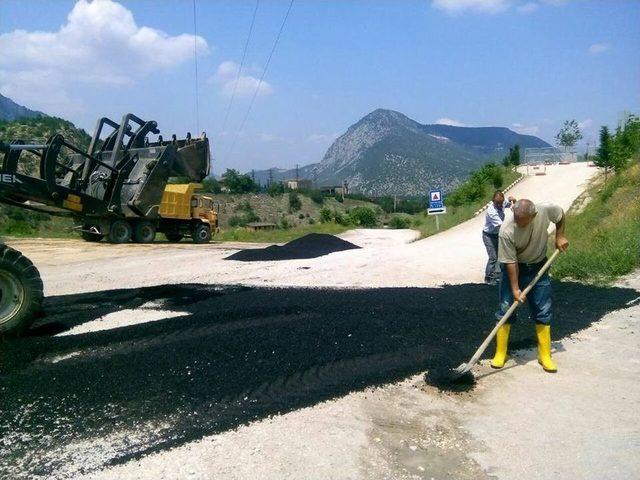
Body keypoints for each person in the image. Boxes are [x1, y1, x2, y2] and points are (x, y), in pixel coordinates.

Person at [490, 199, 569, 373]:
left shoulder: (545, 209)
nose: (518, 223)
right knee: (505, 309)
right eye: (516, 219)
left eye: (522, 221)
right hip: (515, 266)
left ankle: (545, 354)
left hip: (538, 267)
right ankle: (501, 353)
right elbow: (511, 263)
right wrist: (515, 289)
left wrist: (560, 236)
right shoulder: (506, 230)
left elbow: (560, 214)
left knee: (543, 309)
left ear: (534, 216)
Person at [482, 191, 516, 285]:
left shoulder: (502, 203)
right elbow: (501, 225)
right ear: (493, 201)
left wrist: (513, 200)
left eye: (500, 203)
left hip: (497, 234)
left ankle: (497, 275)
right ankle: (488, 278)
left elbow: (509, 204)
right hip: (488, 235)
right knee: (493, 257)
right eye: (497, 203)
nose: (499, 205)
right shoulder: (491, 211)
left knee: (500, 256)